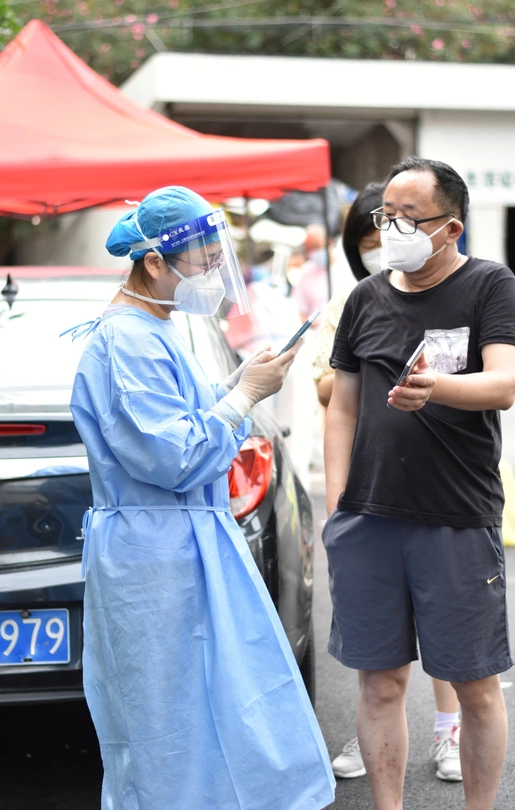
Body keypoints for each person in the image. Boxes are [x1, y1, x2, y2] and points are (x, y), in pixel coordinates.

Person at [68, 186, 335, 810]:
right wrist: (244, 399)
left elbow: (173, 420)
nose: (213, 275)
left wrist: (233, 385)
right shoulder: (128, 340)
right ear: (153, 262)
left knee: (209, 708)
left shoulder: (152, 328)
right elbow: (174, 457)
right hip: (155, 556)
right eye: (204, 261)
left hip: (177, 546)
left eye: (218, 260)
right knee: (167, 723)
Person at [323, 157, 515, 810]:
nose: (391, 229)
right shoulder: (364, 298)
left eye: (409, 216)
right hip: (368, 519)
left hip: (456, 516)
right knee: (379, 685)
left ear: (450, 227)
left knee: (475, 687)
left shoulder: (489, 284)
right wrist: (337, 506)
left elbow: (504, 383)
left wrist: (438, 388)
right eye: (386, 215)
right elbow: (342, 405)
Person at [315, 181, 464, 783]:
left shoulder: (463, 291)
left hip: (441, 489)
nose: (384, 242)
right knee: (377, 648)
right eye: (373, 234)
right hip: (367, 486)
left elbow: (491, 381)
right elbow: (329, 390)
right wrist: (336, 505)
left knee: (451, 639)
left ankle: (449, 731)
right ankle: (369, 733)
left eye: (404, 224)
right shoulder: (350, 303)